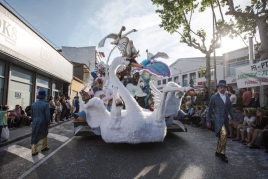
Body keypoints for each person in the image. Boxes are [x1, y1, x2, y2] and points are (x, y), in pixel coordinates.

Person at [206, 80, 236, 163]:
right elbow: (210, 110)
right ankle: (223, 154)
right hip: (218, 120)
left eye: (224, 87)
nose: (222, 89)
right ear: (218, 88)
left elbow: (230, 109)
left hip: (225, 120)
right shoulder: (214, 97)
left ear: (226, 88)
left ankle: (218, 150)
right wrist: (208, 120)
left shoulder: (227, 97)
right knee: (224, 134)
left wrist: (234, 119)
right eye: (221, 87)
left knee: (221, 136)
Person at [31, 90, 50, 156]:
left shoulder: (33, 104)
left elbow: (32, 114)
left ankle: (34, 150)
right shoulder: (45, 104)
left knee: (34, 134)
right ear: (44, 97)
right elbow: (47, 115)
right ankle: (43, 146)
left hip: (35, 121)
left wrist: (33, 120)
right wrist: (48, 122)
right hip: (43, 121)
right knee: (44, 133)